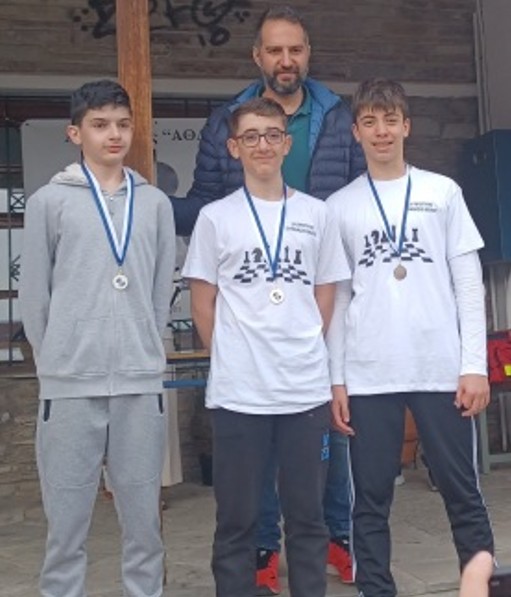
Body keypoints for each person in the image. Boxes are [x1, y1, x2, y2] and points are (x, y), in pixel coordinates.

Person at [171, 6, 365, 592]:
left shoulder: (318, 213)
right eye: (251, 137)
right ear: (234, 147)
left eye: (272, 136)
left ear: (286, 143)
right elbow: (202, 299)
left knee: (307, 519)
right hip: (239, 390)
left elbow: (326, 290)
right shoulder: (216, 218)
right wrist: (229, 352)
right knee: (236, 520)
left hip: (303, 386)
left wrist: (305, 338)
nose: (263, 145)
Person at [326, 78, 494, 597]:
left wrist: (475, 365)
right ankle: (376, 590)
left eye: (390, 120)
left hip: (439, 368)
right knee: (371, 499)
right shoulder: (339, 206)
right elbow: (339, 299)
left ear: (407, 126)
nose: (381, 131)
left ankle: (478, 585)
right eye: (370, 122)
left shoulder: (442, 193)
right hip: (369, 374)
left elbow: (468, 284)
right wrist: (336, 379)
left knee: (462, 491)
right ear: (356, 132)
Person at [19, 79, 176, 597]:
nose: (114, 134)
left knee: (144, 527)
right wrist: (55, 363)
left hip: (139, 384)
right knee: (66, 529)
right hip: (69, 385)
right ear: (75, 133)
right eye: (100, 124)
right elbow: (35, 295)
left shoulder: (153, 204)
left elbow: (160, 291)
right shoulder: (48, 202)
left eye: (123, 124)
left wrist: (146, 350)